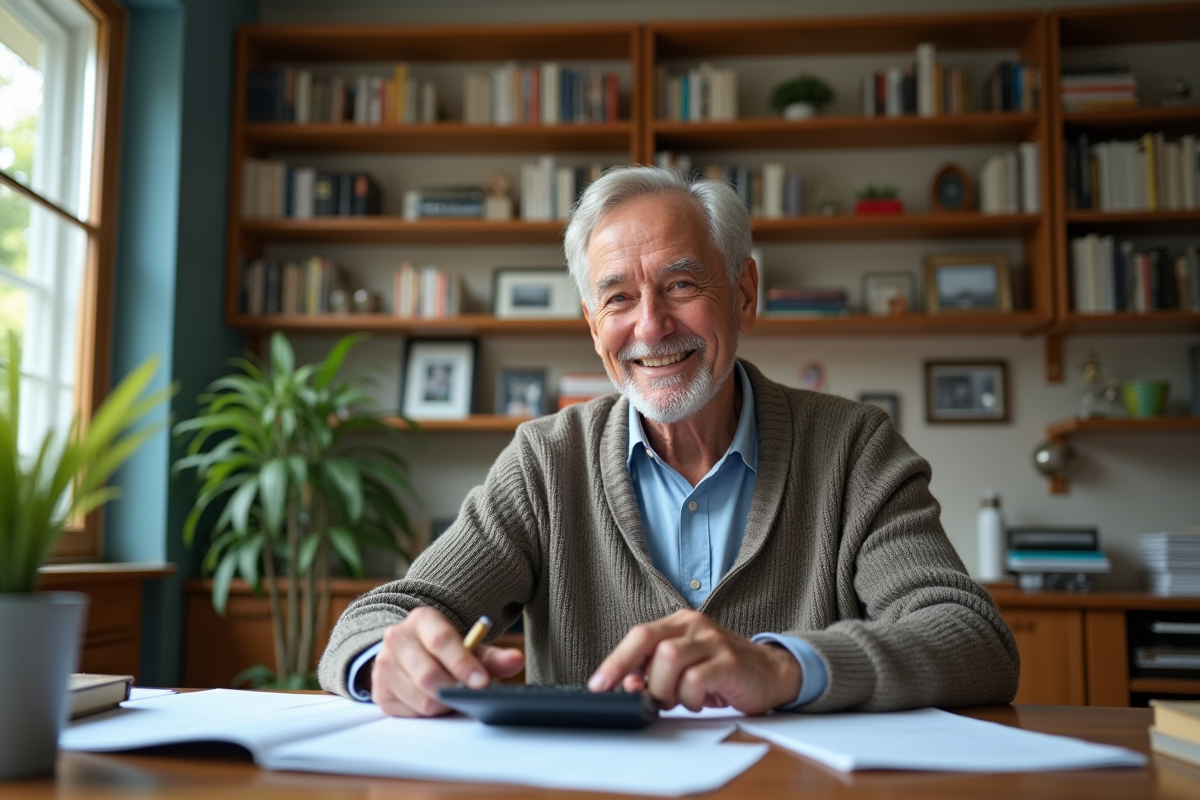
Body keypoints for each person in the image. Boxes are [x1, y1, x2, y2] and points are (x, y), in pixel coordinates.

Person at [318, 166, 1020, 717]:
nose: (651, 327)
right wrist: (391, 658)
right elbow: (375, 619)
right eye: (619, 299)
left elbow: (971, 638)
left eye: (681, 284)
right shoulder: (545, 462)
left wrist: (780, 667)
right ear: (594, 326)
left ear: (744, 293)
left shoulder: (853, 449)